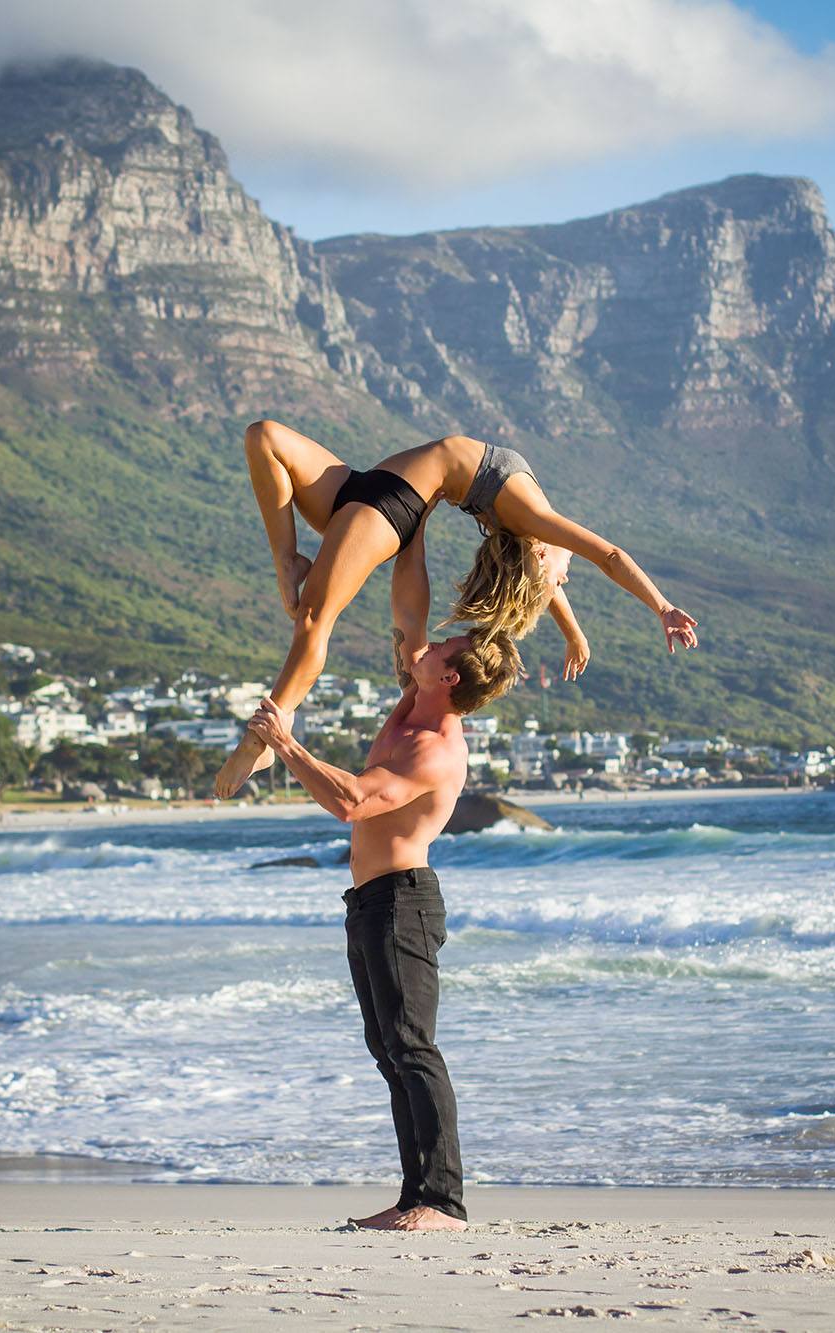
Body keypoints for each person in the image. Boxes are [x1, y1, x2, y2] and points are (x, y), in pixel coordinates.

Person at [216, 420, 700, 797]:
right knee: (264, 437)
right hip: (370, 486)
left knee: (316, 620)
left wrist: (660, 608)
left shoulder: (533, 523)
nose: (564, 579)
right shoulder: (532, 526)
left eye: (558, 581)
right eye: (560, 579)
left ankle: (263, 738)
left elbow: (601, 559)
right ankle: (288, 560)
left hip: (394, 505)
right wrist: (584, 632)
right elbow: (575, 568)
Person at [244, 626, 523, 1231]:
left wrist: (287, 747)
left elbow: (352, 803)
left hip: (404, 904)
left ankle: (443, 1203)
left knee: (413, 1047)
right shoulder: (411, 708)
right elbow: (408, 628)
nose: (428, 644)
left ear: (448, 678)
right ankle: (414, 1195)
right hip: (369, 901)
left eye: (441, 648)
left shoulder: (434, 749)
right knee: (389, 1051)